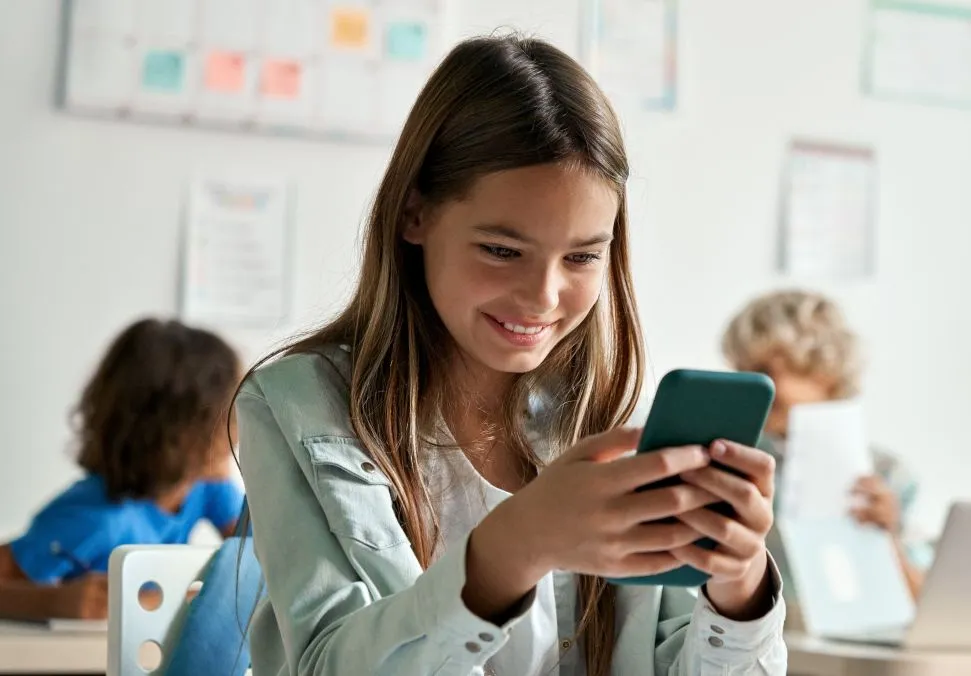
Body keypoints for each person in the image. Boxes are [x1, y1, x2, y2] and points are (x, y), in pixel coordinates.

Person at [236, 35, 787, 675]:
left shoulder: (607, 418)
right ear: (415, 214)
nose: (543, 296)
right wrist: (514, 547)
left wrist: (740, 585)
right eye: (501, 250)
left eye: (581, 256)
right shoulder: (299, 407)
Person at [0, 318, 244, 621]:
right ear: (178, 435)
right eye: (230, 411)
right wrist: (53, 602)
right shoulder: (94, 519)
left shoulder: (206, 487)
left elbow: (260, 561)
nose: (242, 424)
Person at [722, 289, 933, 599]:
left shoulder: (887, 476)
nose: (752, 386)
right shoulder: (734, 461)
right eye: (743, 371)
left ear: (826, 372)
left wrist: (887, 539)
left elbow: (923, 601)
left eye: (765, 371)